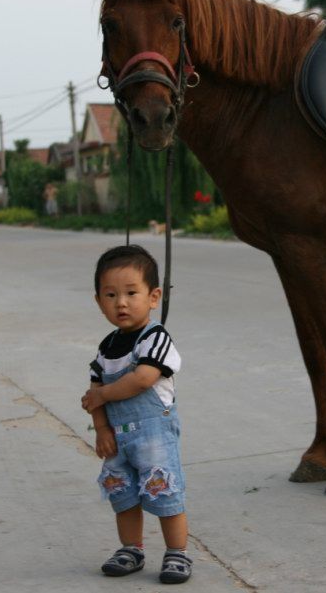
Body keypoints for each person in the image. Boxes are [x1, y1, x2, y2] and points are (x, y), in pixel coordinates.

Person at [81, 245, 191, 584]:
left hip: (153, 436)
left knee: (165, 491)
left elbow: (142, 379)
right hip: (117, 437)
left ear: (153, 296)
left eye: (131, 293)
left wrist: (102, 394)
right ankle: (131, 548)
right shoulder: (106, 348)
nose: (121, 303)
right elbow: (94, 395)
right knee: (123, 494)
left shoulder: (155, 338)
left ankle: (177, 553)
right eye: (111, 295)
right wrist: (101, 429)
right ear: (99, 301)